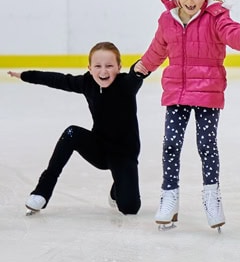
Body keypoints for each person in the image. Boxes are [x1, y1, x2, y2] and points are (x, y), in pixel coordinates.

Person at [134, 0, 240, 231]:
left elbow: (233, 34)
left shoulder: (216, 17)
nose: (190, 2)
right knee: (170, 145)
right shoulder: (167, 19)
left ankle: (212, 197)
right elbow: (157, 49)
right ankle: (169, 197)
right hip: (176, 90)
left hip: (208, 91)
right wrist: (141, 67)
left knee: (206, 144)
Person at [8, 41, 148, 216]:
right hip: (99, 149)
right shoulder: (87, 83)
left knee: (129, 208)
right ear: (89, 68)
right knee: (71, 132)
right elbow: (57, 80)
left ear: (119, 67)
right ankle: (42, 191)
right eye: (97, 66)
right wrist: (25, 76)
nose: (103, 71)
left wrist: (138, 68)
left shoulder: (126, 85)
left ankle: (117, 186)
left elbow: (138, 72)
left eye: (109, 66)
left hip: (124, 154)